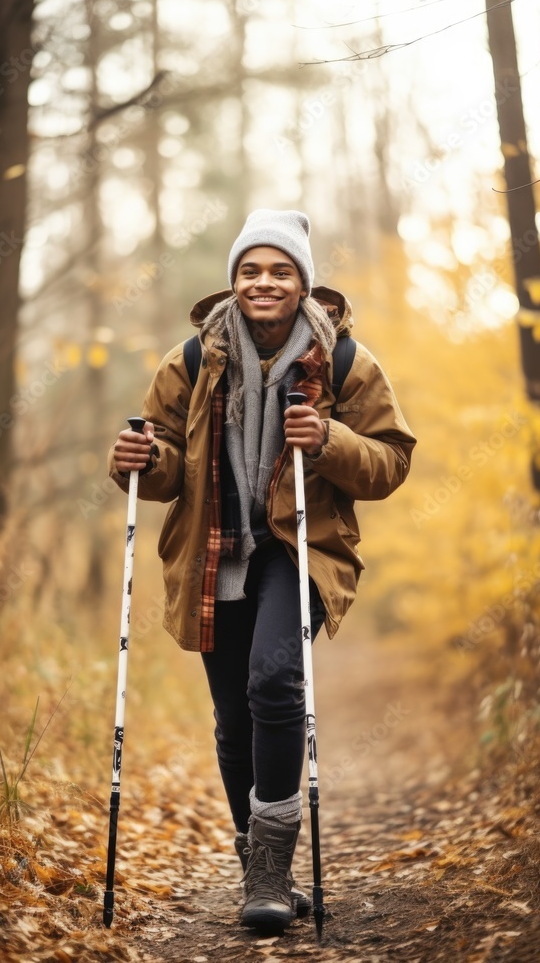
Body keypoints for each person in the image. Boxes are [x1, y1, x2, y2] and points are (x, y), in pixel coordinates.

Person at [108, 209, 416, 933]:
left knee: (273, 682)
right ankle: (257, 859)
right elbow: (157, 473)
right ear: (233, 282)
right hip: (211, 549)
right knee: (232, 718)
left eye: (279, 270)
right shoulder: (189, 361)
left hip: (298, 549)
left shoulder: (345, 361)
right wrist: (139, 460)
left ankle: (272, 868)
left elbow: (391, 462)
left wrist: (331, 439)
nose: (263, 282)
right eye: (250, 270)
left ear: (302, 280)